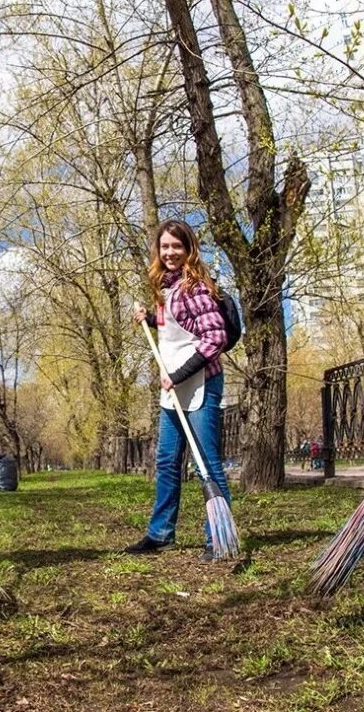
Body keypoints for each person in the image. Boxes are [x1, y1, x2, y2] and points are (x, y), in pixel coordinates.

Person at [125, 219, 231, 563]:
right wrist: (150, 319)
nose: (170, 253)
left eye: (177, 246)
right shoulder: (166, 287)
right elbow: (178, 326)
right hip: (173, 387)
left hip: (201, 384)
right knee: (167, 461)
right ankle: (160, 534)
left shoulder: (196, 287)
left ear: (189, 249)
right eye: (165, 247)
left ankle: (219, 537)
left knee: (206, 463)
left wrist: (179, 374)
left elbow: (216, 338)